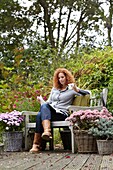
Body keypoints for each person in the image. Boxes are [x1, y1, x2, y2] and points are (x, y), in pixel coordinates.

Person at [30, 68, 89, 153]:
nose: (60, 79)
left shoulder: (71, 89)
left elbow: (88, 93)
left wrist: (77, 90)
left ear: (67, 77)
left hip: (62, 114)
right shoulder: (54, 89)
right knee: (40, 113)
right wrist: (41, 101)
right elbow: (48, 103)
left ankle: (37, 144)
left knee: (40, 115)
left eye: (62, 77)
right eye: (59, 78)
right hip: (51, 113)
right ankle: (44, 135)